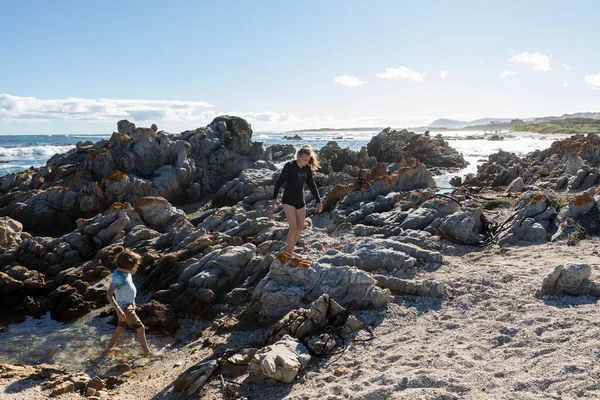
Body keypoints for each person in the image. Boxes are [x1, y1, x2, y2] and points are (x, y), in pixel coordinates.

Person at [272, 144, 323, 257]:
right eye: (304, 159)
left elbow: (312, 185)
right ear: (298, 156)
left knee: (300, 227)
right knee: (293, 227)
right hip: (288, 200)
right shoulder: (289, 166)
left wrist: (318, 200)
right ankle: (289, 254)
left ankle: (290, 250)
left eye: (308, 160)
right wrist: (274, 198)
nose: (306, 162)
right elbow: (279, 182)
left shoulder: (307, 169)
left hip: (300, 200)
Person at [105, 246, 151, 355]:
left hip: (129, 305)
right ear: (129, 265)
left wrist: (133, 302)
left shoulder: (127, 273)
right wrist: (119, 310)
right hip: (124, 308)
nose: (135, 268)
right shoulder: (117, 276)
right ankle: (147, 352)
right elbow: (109, 295)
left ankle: (109, 348)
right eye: (134, 265)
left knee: (121, 327)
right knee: (140, 328)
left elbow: (129, 289)